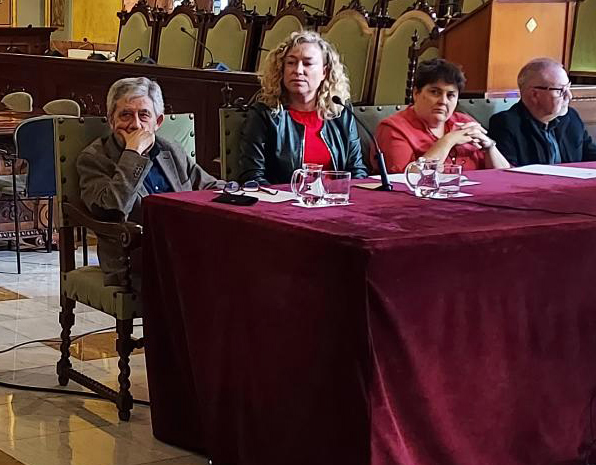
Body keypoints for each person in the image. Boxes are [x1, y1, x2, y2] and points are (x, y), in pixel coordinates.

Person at [78, 77, 218, 287]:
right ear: (111, 120)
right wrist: (133, 153)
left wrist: (238, 193)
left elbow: (207, 186)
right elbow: (112, 209)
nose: (135, 124)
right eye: (125, 114)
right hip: (132, 255)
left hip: (185, 244)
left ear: (158, 122)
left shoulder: (170, 150)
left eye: (144, 115)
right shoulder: (95, 158)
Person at [237, 29, 368, 184]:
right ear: (282, 69)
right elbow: (252, 177)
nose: (298, 71)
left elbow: (357, 171)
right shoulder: (264, 114)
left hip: (335, 202)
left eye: (307, 63)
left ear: (324, 72)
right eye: (291, 63)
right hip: (282, 204)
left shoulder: (340, 112)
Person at [376, 58, 511, 172]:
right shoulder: (393, 129)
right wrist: (448, 141)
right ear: (416, 93)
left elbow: (507, 177)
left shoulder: (464, 121)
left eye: (451, 95)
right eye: (435, 92)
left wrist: (489, 147)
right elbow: (406, 179)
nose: (443, 101)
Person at [489, 57, 596, 166]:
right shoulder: (506, 124)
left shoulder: (571, 118)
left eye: (568, 87)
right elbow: (507, 174)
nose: (569, 96)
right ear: (534, 94)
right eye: (560, 90)